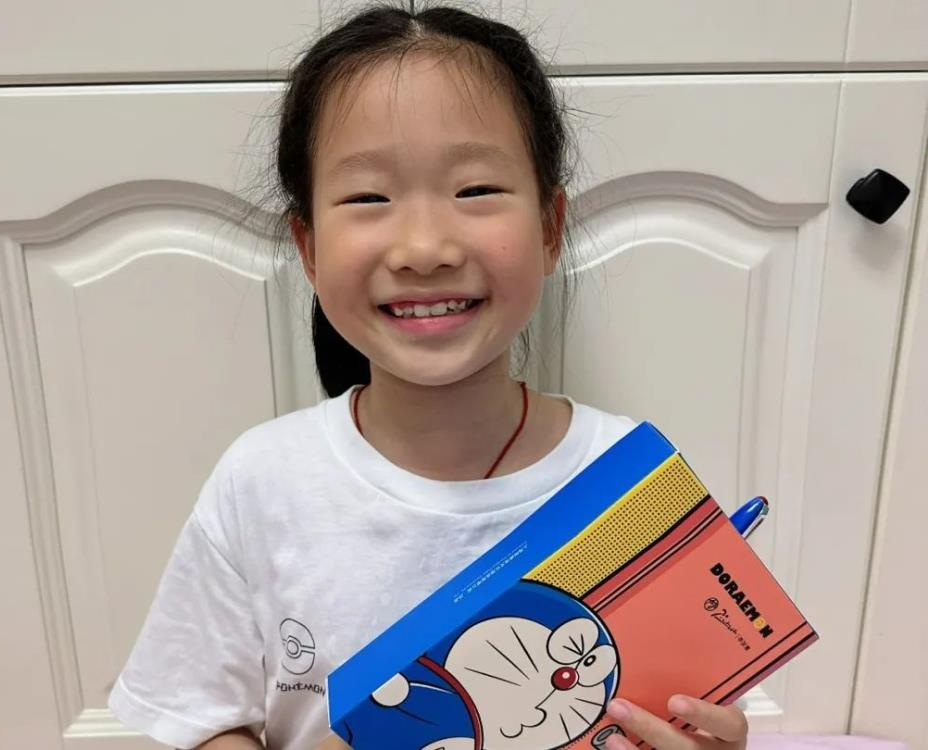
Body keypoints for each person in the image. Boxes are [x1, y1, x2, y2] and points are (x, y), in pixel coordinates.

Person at [107, 3, 751, 750]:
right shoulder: (262, 480)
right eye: (368, 198)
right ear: (308, 247)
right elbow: (201, 717)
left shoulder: (633, 481)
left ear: (550, 227)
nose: (423, 248)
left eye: (475, 191)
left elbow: (689, 706)